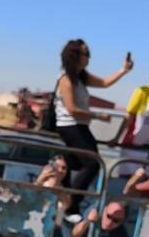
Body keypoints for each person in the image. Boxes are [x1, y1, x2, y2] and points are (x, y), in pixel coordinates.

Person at [54, 39, 133, 216]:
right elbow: (72, 109)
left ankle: (65, 196)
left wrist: (124, 70)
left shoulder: (81, 77)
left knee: (76, 163)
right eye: (86, 54)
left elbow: (104, 83)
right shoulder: (66, 80)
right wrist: (97, 116)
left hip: (79, 126)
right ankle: (70, 203)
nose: (89, 57)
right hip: (70, 126)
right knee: (93, 163)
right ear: (75, 56)